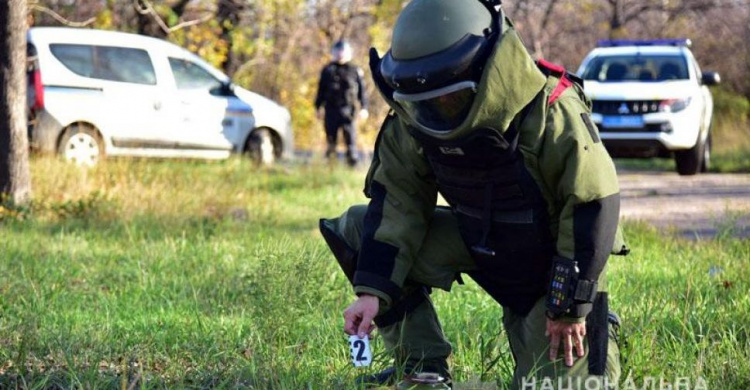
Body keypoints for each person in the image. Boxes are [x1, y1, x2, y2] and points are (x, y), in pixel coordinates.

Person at [319, 0, 629, 389]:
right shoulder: (411, 116)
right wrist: (373, 291)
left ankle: (598, 329)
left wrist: (571, 306)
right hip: (477, 242)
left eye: (448, 96)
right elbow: (397, 202)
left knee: (568, 386)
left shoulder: (551, 110)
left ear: (485, 68)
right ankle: (422, 368)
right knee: (358, 228)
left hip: (552, 266)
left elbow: (592, 203)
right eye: (425, 99)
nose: (436, 108)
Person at [315, 40, 369, 166]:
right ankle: (331, 167)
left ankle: (352, 166)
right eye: (337, 51)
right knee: (331, 141)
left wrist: (364, 108)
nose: (340, 54)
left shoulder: (355, 70)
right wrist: (317, 107)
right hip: (330, 110)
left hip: (348, 111)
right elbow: (321, 90)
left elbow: (362, 92)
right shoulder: (327, 70)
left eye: (342, 51)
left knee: (350, 142)